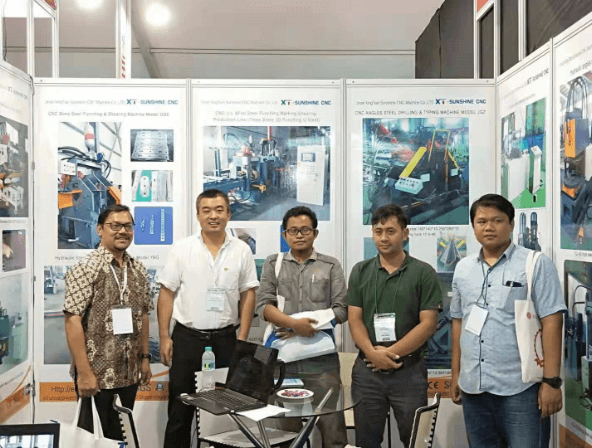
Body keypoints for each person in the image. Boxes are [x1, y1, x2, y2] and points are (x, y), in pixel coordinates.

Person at [450, 194, 565, 448]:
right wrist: (456, 374)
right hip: (473, 387)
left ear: (511, 224)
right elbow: (458, 322)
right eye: (481, 221)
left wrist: (551, 382)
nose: (489, 227)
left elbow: (552, 321)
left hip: (521, 390)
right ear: (473, 226)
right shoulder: (463, 268)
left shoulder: (535, 264)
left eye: (497, 220)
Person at [157, 189, 259, 448]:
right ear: (198, 215)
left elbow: (248, 294)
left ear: (229, 214)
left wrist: (243, 339)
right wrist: (164, 337)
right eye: (207, 210)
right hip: (187, 340)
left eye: (219, 210)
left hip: (226, 341)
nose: (213, 216)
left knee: (224, 412)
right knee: (179, 412)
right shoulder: (182, 249)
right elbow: (166, 293)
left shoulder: (242, 250)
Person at [257, 206, 351, 448]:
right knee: (285, 432)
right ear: (284, 234)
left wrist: (310, 326)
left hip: (322, 362)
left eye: (305, 230)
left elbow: (342, 309)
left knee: (332, 428)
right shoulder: (273, 263)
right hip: (282, 362)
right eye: (293, 230)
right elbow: (264, 306)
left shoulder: (330, 265)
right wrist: (294, 325)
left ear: (315, 233)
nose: (299, 235)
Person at [347, 204, 441, 448]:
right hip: (367, 372)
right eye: (378, 231)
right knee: (366, 441)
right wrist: (372, 353)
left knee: (415, 441)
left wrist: (389, 354)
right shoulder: (360, 271)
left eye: (391, 231)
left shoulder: (423, 272)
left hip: (408, 372)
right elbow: (354, 318)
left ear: (405, 234)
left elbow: (428, 324)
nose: (384, 238)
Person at [63, 204, 152, 441]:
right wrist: (84, 373)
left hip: (129, 374)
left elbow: (144, 315)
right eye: (115, 226)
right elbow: (72, 320)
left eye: (128, 226)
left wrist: (145, 358)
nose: (122, 231)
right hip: (96, 376)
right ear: (100, 229)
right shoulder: (86, 268)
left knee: (121, 437)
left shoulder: (138, 269)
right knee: (92, 440)